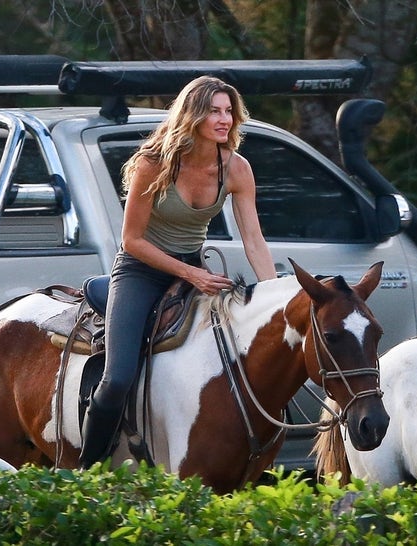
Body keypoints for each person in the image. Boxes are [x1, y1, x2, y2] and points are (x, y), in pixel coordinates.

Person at [79, 76, 277, 468]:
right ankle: (87, 467)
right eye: (215, 111)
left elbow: (254, 239)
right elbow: (132, 240)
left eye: (229, 112)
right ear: (192, 115)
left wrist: (274, 296)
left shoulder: (236, 168)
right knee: (118, 378)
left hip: (193, 266)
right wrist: (191, 276)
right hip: (140, 270)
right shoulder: (153, 163)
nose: (225, 120)